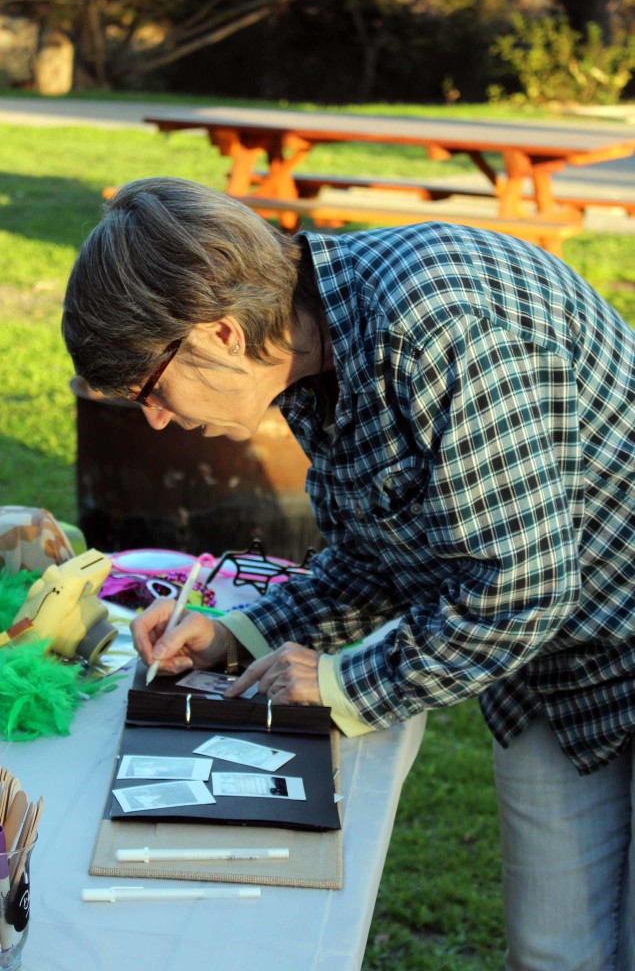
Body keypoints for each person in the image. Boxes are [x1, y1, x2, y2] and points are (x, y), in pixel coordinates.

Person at [62, 176, 635, 970]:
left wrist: (342, 686)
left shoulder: (438, 327)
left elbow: (521, 590)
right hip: (549, 665)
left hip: (592, 623)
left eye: (149, 389)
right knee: (553, 952)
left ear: (220, 334)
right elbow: (377, 549)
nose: (153, 418)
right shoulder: (302, 347)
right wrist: (237, 633)